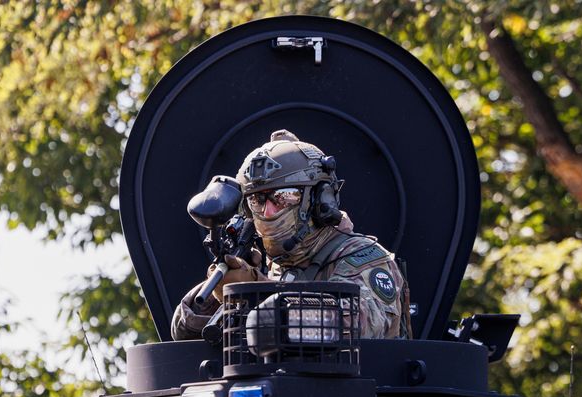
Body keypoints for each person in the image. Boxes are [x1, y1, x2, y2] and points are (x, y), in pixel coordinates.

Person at [171, 129, 410, 340]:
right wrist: (223, 291)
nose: (268, 211)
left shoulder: (362, 256)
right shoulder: (270, 268)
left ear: (319, 199)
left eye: (282, 197)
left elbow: (357, 326)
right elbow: (183, 333)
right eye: (256, 200)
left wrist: (256, 290)